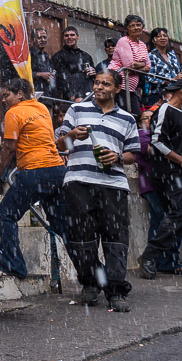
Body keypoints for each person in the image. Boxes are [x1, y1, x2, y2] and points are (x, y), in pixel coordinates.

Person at [55, 69, 139, 312]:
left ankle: (116, 291)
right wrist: (71, 135)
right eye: (97, 82)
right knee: (82, 238)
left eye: (106, 84)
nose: (99, 87)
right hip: (78, 181)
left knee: (116, 239)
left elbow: (133, 154)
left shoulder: (127, 118)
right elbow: (61, 145)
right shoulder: (77, 110)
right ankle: (90, 284)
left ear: (117, 89)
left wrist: (118, 156)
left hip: (113, 185)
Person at [0, 78, 68, 278]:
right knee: (61, 224)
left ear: (20, 94)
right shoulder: (41, 108)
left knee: (6, 213)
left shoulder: (13, 112)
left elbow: (8, 148)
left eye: (6, 95)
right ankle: (90, 271)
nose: (3, 100)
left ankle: (13, 264)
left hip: (34, 171)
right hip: (58, 170)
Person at [136, 81, 182, 279]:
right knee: (177, 213)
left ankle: (160, 260)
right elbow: (156, 141)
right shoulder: (165, 110)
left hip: (177, 172)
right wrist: (180, 159)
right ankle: (150, 256)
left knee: (175, 217)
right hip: (167, 173)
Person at [109, 14, 148, 114]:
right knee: (122, 115)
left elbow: (148, 67)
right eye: (132, 26)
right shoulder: (124, 41)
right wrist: (142, 64)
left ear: (142, 27)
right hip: (118, 85)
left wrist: (138, 66)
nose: (136, 28)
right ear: (127, 29)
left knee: (135, 116)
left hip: (130, 88)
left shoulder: (142, 45)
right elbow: (129, 66)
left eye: (138, 25)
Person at [51, 26, 96, 102]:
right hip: (70, 97)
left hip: (89, 94)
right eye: (66, 35)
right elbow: (59, 79)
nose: (69, 37)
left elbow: (93, 77)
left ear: (77, 37)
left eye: (72, 35)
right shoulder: (58, 57)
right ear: (63, 38)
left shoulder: (86, 56)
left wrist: (94, 74)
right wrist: (70, 94)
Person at [144, 27, 181, 107]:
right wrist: (169, 81)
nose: (163, 38)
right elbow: (150, 78)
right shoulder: (151, 56)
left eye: (165, 36)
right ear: (153, 40)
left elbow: (178, 72)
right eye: (159, 36)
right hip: (158, 95)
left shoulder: (172, 55)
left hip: (175, 93)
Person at [30, 28, 56, 100]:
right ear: (33, 40)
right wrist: (39, 74)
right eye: (39, 38)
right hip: (34, 96)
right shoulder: (28, 55)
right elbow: (21, 74)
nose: (43, 40)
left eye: (44, 37)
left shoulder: (46, 56)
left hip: (48, 97)